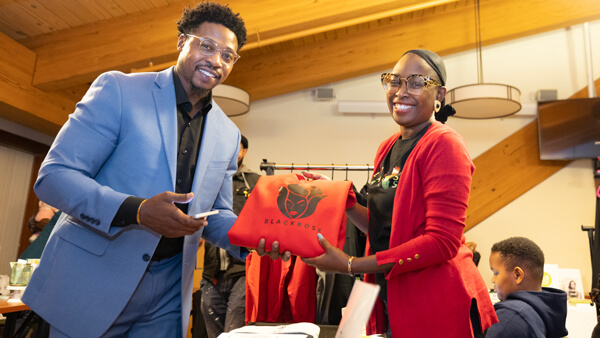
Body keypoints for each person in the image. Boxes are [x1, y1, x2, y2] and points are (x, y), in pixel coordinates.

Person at [21, 3, 261, 337]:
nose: (216, 61)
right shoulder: (119, 90)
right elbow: (55, 177)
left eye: (228, 55)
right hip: (91, 280)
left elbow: (215, 213)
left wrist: (258, 237)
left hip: (168, 292)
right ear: (181, 42)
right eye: (206, 46)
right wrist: (138, 211)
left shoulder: (228, 133)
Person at [300, 49, 498, 337]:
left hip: (435, 303)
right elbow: (384, 227)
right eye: (394, 81)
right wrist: (340, 199)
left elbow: (443, 242)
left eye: (416, 83)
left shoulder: (445, 145)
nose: (400, 92)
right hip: (393, 296)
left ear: (439, 93)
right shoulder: (388, 146)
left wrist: (351, 264)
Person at [200, 134, 260, 337]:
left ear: (244, 151)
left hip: (243, 270)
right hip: (210, 273)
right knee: (213, 333)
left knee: (235, 333)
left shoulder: (255, 183)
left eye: (238, 148)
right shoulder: (208, 181)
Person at [487, 237, 568, 338]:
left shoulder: (511, 316)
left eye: (496, 273)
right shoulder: (543, 312)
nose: (492, 279)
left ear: (517, 275)